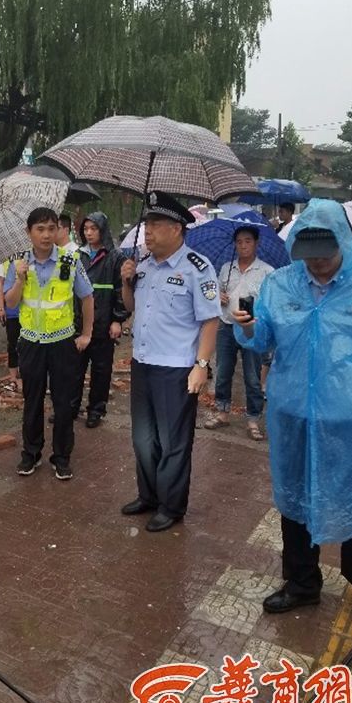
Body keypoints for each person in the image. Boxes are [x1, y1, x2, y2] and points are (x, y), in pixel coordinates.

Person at [232, 200, 352, 613]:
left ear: (342, 242)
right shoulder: (281, 285)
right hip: (292, 413)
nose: (318, 264)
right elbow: (262, 342)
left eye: (325, 254)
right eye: (309, 255)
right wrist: (250, 328)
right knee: (294, 500)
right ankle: (302, 582)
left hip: (351, 419)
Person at [120, 194, 220, 532]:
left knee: (174, 441)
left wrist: (201, 364)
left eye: (155, 226)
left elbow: (210, 320)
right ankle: (148, 495)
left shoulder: (197, 268)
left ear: (176, 228)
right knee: (143, 438)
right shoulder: (144, 265)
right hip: (143, 361)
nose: (147, 232)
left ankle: (171, 505)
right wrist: (126, 281)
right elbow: (131, 306)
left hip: (177, 367)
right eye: (146, 225)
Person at [4, 207, 94, 480]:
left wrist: (87, 334)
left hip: (62, 342)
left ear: (58, 231)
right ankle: (30, 454)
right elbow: (10, 303)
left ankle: (62, 456)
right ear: (29, 232)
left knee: (63, 402)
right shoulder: (17, 263)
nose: (46, 235)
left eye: (51, 229)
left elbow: (87, 297)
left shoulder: (70, 259)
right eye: (40, 229)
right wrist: (19, 279)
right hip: (31, 342)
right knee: (32, 401)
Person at [204, 225, 274, 440]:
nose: (243, 245)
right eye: (239, 242)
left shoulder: (266, 272)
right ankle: (223, 412)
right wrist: (218, 296)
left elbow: (271, 301)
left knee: (252, 377)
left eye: (248, 241)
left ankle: (253, 419)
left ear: (256, 243)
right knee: (223, 372)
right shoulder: (227, 268)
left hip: (251, 329)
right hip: (226, 325)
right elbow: (212, 291)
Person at [71, 211, 129, 427]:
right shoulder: (78, 255)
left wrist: (118, 319)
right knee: (74, 369)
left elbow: (121, 291)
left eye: (93, 229)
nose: (89, 233)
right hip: (79, 324)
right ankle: (71, 407)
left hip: (104, 323)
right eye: (85, 229)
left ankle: (96, 410)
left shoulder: (115, 257)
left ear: (102, 230)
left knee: (101, 370)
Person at [0, 259, 21, 390]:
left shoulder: (32, 255)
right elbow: (0, 283)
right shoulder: (6, 260)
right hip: (12, 311)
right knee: (13, 344)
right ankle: (13, 378)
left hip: (30, 310)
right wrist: (1, 307)